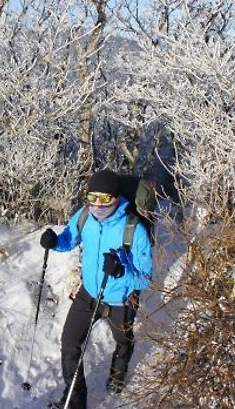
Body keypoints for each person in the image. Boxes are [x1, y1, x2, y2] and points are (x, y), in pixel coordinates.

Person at [40, 169, 153, 409]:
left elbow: (145, 278)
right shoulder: (84, 217)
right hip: (88, 294)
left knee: (123, 340)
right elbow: (69, 239)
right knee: (70, 344)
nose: (98, 205)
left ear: (116, 198)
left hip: (122, 300)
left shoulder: (134, 229)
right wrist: (54, 242)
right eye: (93, 198)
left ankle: (117, 377)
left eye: (105, 199)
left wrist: (123, 271)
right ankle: (75, 402)